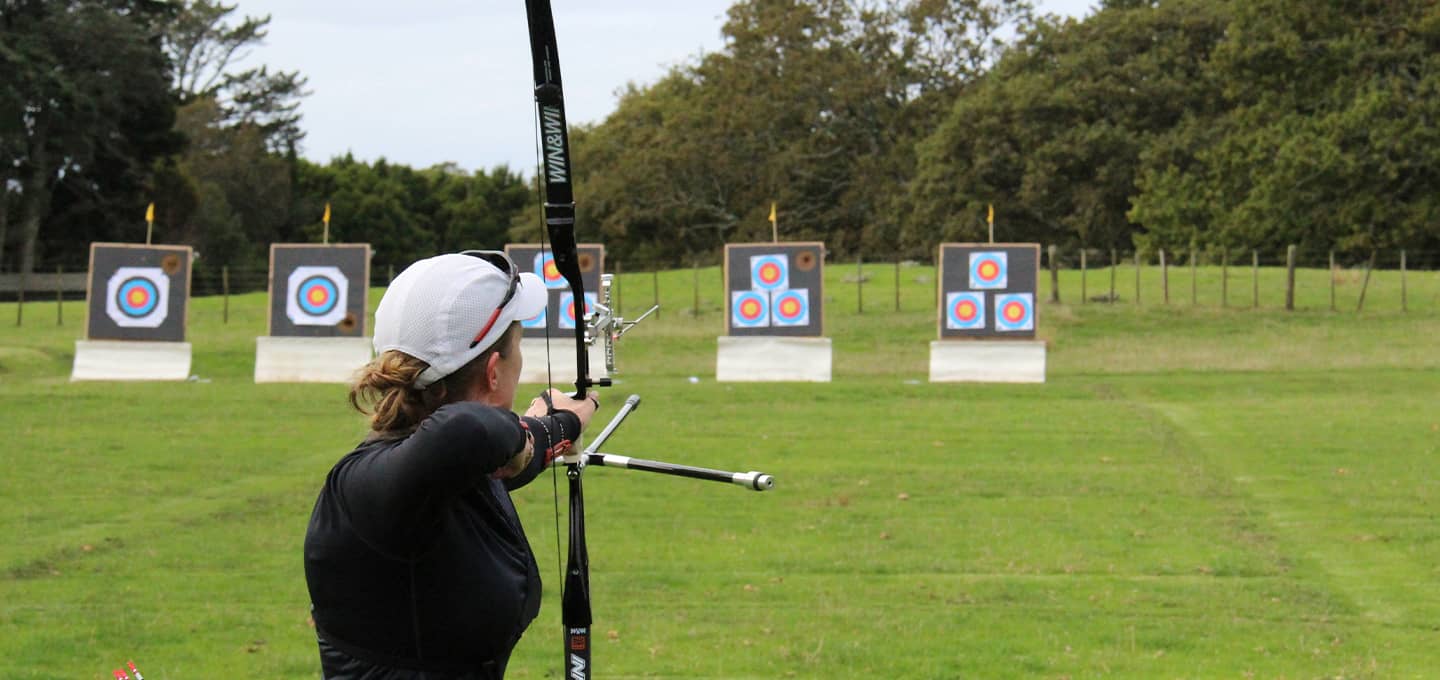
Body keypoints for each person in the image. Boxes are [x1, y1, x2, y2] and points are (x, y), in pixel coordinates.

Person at [303, 251, 599, 679]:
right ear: (494, 372)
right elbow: (471, 433)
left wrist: (562, 423)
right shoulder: (371, 483)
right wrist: (533, 430)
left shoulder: (438, 473)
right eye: (517, 350)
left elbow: (501, 460)